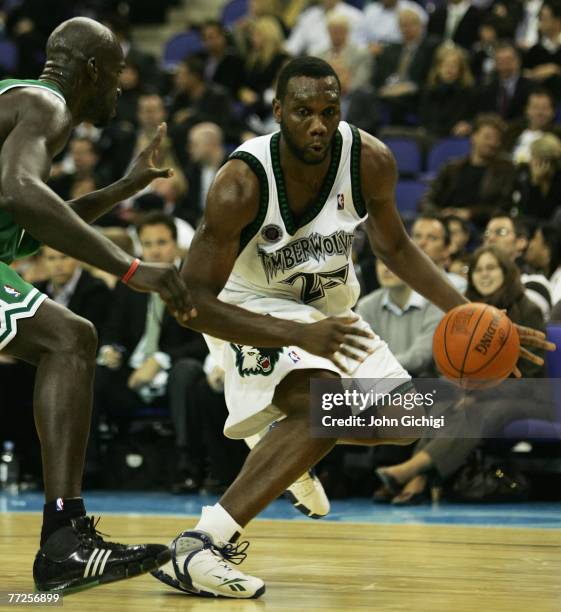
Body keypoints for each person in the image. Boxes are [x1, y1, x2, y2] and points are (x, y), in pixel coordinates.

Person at [151, 57, 553, 599]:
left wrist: (472, 313)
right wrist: (295, 336)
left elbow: (397, 248)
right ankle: (200, 544)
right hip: (252, 307)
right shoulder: (241, 184)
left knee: (410, 417)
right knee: (323, 402)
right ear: (277, 113)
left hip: (330, 314)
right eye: (303, 112)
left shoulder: (369, 161)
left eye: (329, 111)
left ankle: (283, 446)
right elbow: (192, 302)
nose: (318, 124)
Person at [0, 17, 194, 593]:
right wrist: (131, 268)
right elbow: (20, 194)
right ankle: (64, 539)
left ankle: (65, 536)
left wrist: (122, 190)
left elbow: (34, 226)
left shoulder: (19, 106)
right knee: (71, 338)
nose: (120, 86)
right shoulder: (45, 105)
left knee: (67, 338)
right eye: (115, 73)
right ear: (91, 71)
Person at [376, 246, 548, 505]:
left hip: (526, 397)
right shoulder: (463, 312)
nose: (484, 275)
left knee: (476, 411)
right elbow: (445, 360)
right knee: (443, 406)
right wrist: (457, 389)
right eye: (478, 269)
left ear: (507, 272)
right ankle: (418, 479)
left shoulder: (527, 310)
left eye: (491, 268)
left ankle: (410, 471)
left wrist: (477, 394)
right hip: (473, 395)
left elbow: (530, 375)